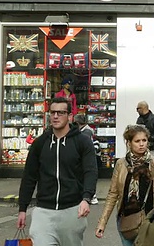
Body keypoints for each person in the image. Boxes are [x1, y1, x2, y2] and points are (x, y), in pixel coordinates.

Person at [17, 97, 97, 246]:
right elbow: (29, 177)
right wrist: (23, 208)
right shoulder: (40, 143)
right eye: (52, 112)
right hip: (43, 212)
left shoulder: (82, 142)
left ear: (70, 116)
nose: (55, 116)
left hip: (72, 211)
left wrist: (86, 198)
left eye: (60, 113)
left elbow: (90, 171)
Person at [96, 125, 154, 245]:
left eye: (144, 140)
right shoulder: (121, 164)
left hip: (149, 221)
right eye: (137, 141)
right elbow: (113, 194)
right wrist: (102, 223)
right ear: (129, 143)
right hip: (126, 221)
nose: (141, 144)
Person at [75, 114, 101, 205]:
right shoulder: (87, 130)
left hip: (90, 156)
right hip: (93, 155)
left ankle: (92, 196)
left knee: (88, 174)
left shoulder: (85, 132)